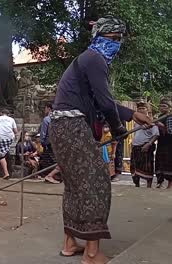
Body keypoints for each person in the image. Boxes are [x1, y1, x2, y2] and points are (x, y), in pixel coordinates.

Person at [49, 17, 152, 264]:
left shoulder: (86, 59)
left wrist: (132, 115)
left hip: (62, 127)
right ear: (100, 37)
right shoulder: (95, 59)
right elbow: (105, 102)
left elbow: (100, 99)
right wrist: (118, 128)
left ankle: (70, 242)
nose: (116, 44)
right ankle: (92, 253)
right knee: (96, 183)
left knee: (75, 186)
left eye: (119, 40)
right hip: (72, 127)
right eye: (113, 39)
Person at [130, 102, 159, 188]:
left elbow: (156, 134)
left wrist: (149, 144)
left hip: (145, 146)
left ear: (148, 110)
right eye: (139, 108)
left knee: (147, 166)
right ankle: (137, 185)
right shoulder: (136, 121)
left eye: (143, 108)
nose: (141, 110)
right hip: (136, 146)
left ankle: (148, 186)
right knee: (135, 166)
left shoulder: (151, 121)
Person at [0, 109, 18, 179]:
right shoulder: (11, 119)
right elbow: (16, 131)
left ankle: (6, 173)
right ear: (8, 114)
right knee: (6, 151)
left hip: (1, 138)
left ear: (1, 113)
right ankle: (10, 169)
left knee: (1, 155)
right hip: (10, 138)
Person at [38, 103, 61, 184]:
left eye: (45, 108)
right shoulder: (58, 118)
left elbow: (43, 132)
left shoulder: (47, 119)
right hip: (57, 142)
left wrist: (42, 142)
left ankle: (50, 175)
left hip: (48, 142)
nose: (44, 110)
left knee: (50, 159)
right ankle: (51, 176)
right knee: (53, 159)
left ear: (48, 108)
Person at [155, 99, 172, 189]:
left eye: (164, 106)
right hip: (161, 143)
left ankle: (170, 185)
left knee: (169, 163)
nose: (162, 108)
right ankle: (160, 182)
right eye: (160, 106)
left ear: (169, 108)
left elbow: (170, 131)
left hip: (169, 144)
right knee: (159, 162)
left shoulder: (170, 117)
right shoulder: (159, 116)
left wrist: (162, 126)